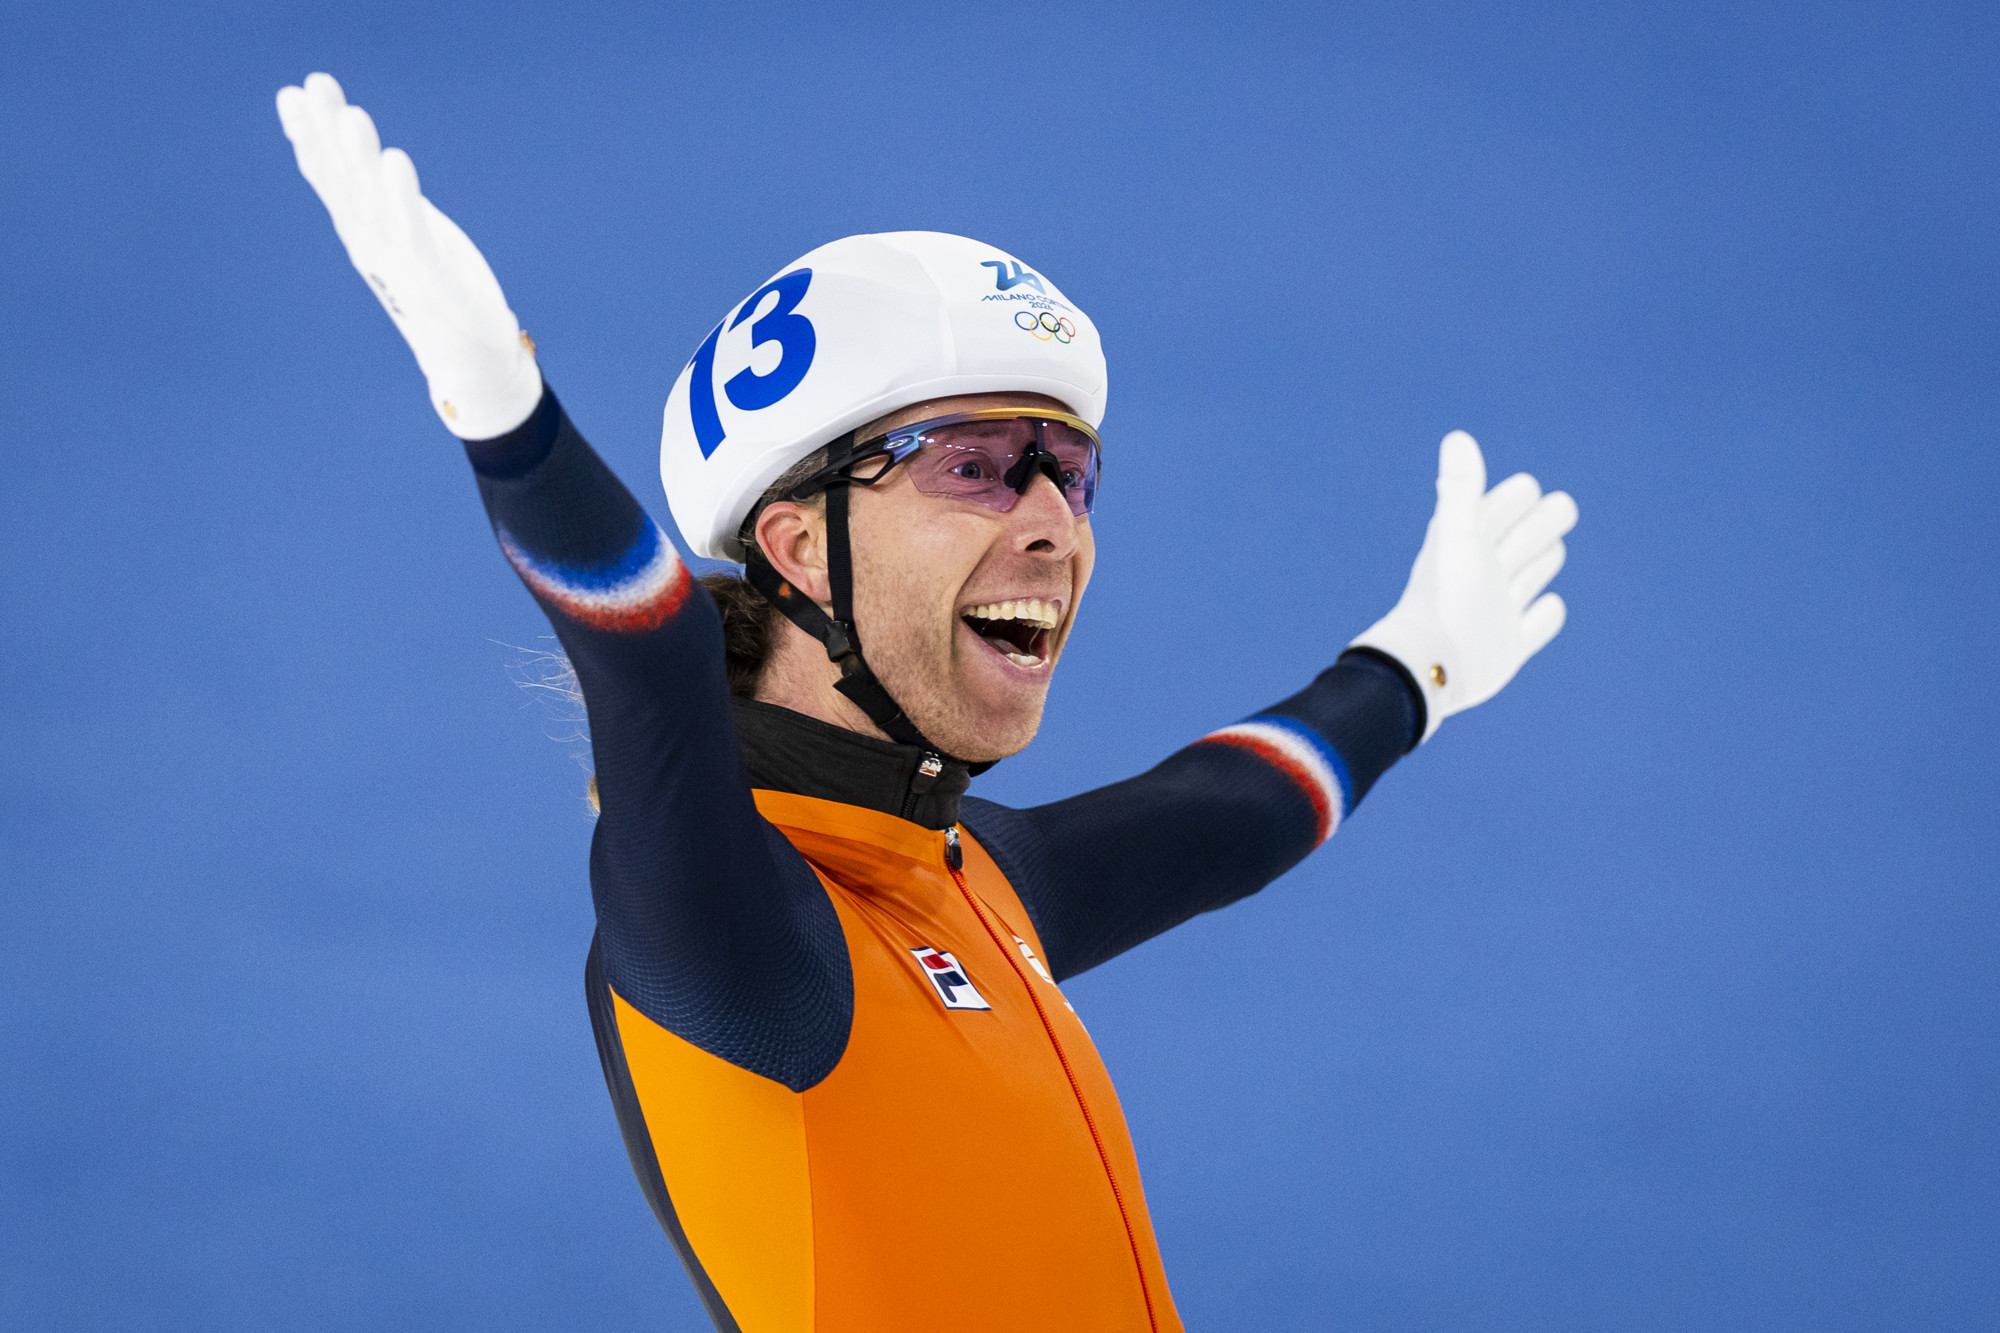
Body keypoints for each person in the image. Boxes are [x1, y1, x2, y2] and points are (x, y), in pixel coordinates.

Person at [277, 72, 1579, 1333]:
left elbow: (1220, 812)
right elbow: (655, 663)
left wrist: (1415, 666)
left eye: (1072, 474)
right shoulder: (736, 933)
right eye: (976, 467)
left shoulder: (972, 875)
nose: (1053, 524)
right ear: (793, 548)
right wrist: (510, 420)